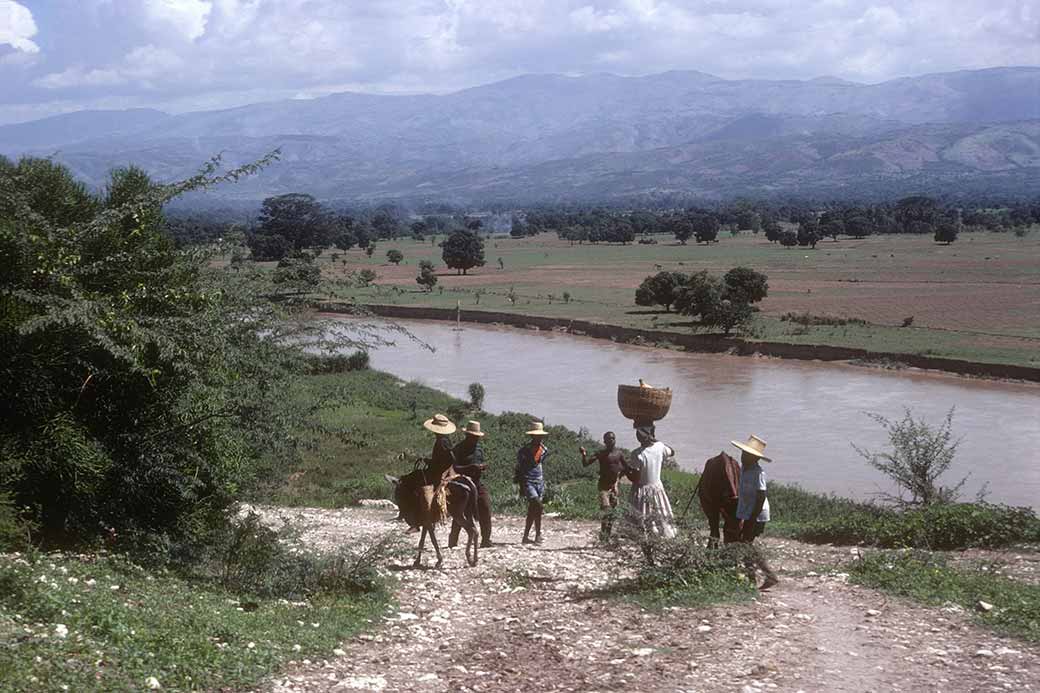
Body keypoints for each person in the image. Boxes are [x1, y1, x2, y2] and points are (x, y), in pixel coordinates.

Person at [732, 434, 779, 591]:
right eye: (743, 454)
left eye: (747, 455)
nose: (743, 457)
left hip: (757, 514)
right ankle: (752, 578)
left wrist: (751, 519)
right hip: (747, 511)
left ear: (755, 458)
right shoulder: (745, 468)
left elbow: (760, 497)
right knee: (746, 544)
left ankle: (768, 576)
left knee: (747, 544)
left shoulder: (758, 473)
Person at [626, 426, 677, 539]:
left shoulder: (637, 454)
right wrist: (657, 440)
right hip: (657, 487)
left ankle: (642, 534)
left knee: (642, 513)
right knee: (660, 510)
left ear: (639, 438)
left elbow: (635, 478)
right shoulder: (660, 447)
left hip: (641, 488)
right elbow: (672, 451)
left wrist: (626, 470)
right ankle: (662, 533)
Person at [449, 420, 493, 549]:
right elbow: (454, 468)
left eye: (476, 437)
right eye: (473, 437)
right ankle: (453, 541)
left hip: (477, 483)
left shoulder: (479, 450)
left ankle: (486, 540)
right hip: (461, 485)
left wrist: (481, 467)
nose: (475, 439)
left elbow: (480, 463)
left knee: (485, 507)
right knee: (460, 512)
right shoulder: (458, 449)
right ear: (467, 436)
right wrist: (470, 467)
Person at [580, 431, 628, 539]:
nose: (611, 441)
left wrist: (618, 480)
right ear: (604, 441)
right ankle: (603, 535)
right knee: (606, 509)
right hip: (603, 486)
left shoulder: (619, 454)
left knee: (613, 512)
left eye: (613, 438)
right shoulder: (600, 453)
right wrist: (583, 455)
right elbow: (586, 464)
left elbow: (626, 468)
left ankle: (607, 535)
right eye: (609, 439)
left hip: (614, 487)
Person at [514, 421, 550, 545]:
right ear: (532, 436)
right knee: (538, 506)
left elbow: (540, 464)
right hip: (528, 481)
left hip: (539, 482)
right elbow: (519, 467)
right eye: (537, 436)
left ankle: (526, 536)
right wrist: (521, 484)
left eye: (540, 436)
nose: (539, 438)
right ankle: (538, 534)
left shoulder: (545, 450)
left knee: (533, 509)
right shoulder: (524, 451)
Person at [697, 451, 741, 547]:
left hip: (730, 500)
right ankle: (716, 537)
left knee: (731, 520)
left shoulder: (737, 467)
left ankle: (719, 539)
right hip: (721, 498)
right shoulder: (739, 467)